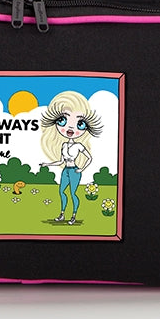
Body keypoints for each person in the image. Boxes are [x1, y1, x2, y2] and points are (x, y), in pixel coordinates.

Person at [39, 91, 102, 225]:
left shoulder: (79, 146)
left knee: (73, 193)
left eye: (80, 123)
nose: (71, 127)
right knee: (61, 191)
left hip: (74, 171)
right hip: (66, 171)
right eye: (62, 120)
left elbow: (89, 158)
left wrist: (82, 169)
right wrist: (47, 164)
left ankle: (73, 215)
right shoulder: (63, 145)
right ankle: (62, 214)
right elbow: (61, 161)